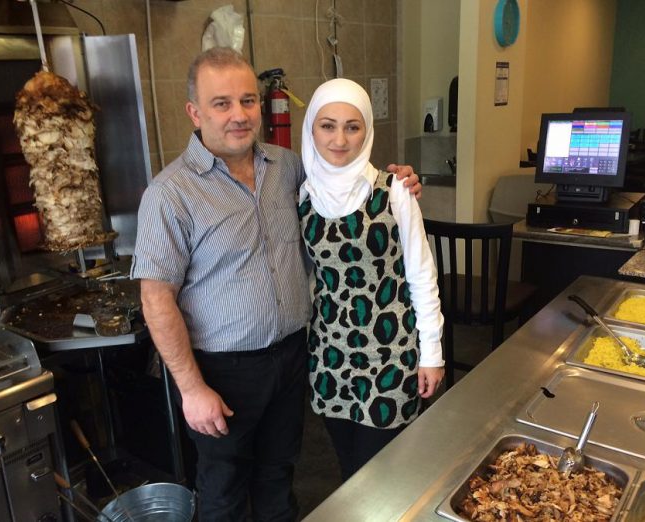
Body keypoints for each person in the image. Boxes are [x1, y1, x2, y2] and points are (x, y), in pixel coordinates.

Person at [130, 47, 421, 522]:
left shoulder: (287, 167)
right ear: (195, 112)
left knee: (279, 476)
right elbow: (155, 297)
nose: (239, 115)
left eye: (248, 100)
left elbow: (344, 175)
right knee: (223, 490)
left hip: (291, 357)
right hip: (222, 372)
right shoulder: (170, 194)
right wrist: (191, 388)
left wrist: (397, 180)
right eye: (221, 103)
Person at [298, 78, 445, 481]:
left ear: (367, 131)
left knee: (384, 469)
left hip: (391, 355)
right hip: (330, 356)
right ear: (311, 128)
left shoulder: (395, 189)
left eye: (353, 126)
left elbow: (421, 274)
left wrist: (432, 353)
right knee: (349, 469)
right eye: (328, 125)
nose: (340, 139)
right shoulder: (303, 194)